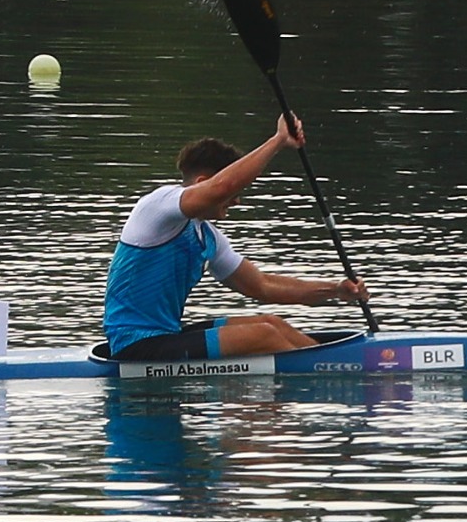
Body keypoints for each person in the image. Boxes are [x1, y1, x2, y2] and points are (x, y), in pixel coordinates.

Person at [101, 117, 369, 360]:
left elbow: (262, 286)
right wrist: (278, 142)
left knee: (273, 324)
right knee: (265, 336)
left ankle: (334, 362)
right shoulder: (157, 208)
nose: (238, 199)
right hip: (133, 345)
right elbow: (222, 187)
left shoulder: (207, 237)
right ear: (201, 182)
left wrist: (335, 290)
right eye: (237, 190)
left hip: (166, 335)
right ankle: (332, 369)